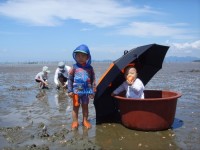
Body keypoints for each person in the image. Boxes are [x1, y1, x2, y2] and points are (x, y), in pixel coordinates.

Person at [68, 44, 96, 130]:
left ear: (87, 57)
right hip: (76, 90)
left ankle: (85, 120)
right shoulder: (74, 67)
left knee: (85, 106)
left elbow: (93, 80)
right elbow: (70, 79)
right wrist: (69, 90)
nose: (80, 57)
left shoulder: (90, 68)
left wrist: (93, 91)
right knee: (75, 106)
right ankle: (75, 121)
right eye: (78, 55)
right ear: (75, 56)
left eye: (83, 56)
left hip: (86, 91)